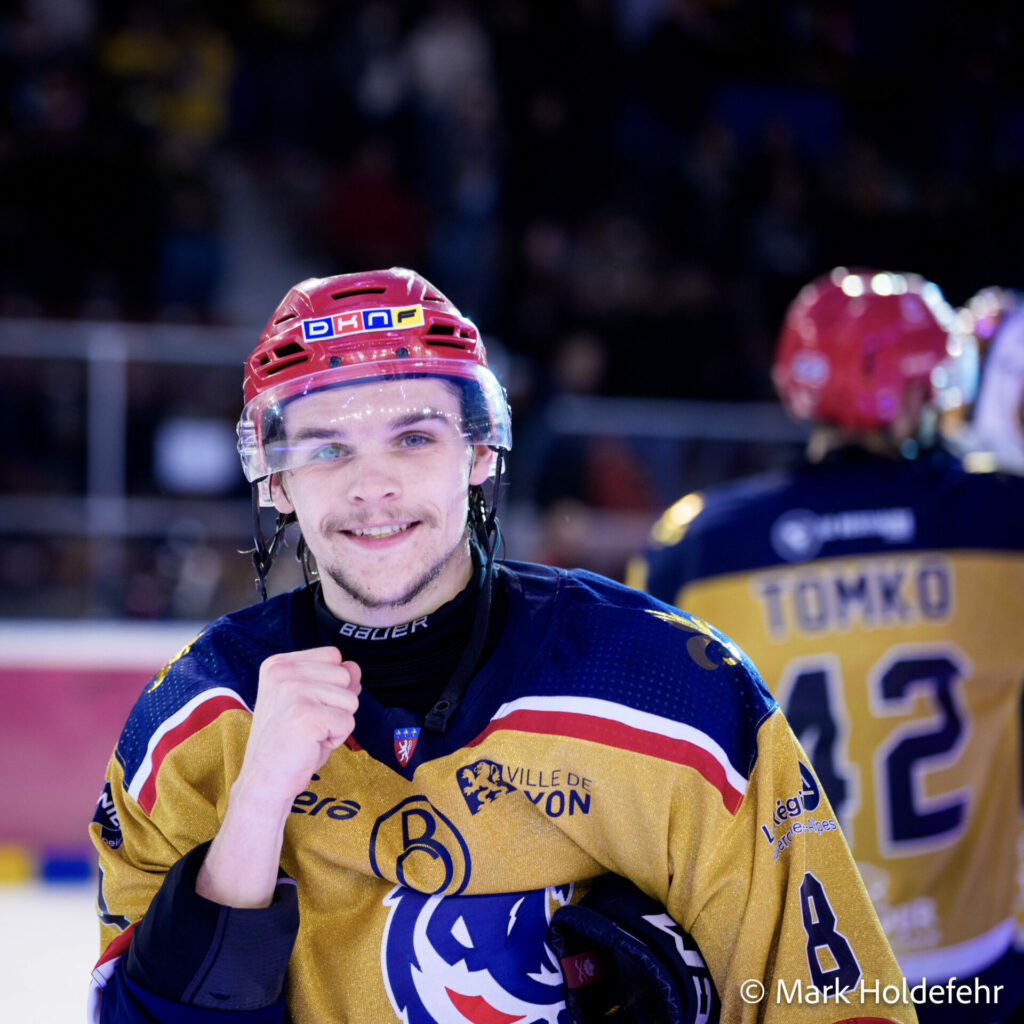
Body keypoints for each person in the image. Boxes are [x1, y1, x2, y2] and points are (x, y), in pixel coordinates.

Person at [89, 267, 915, 1024]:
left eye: (414, 438)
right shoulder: (191, 726)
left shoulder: (675, 690)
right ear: (275, 478)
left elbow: (833, 1003)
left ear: (479, 450)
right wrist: (256, 806)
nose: (372, 484)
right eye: (325, 448)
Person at [628, 267, 1024, 1024]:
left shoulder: (698, 546)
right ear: (918, 385)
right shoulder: (1001, 524)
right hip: (970, 961)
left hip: (806, 963)